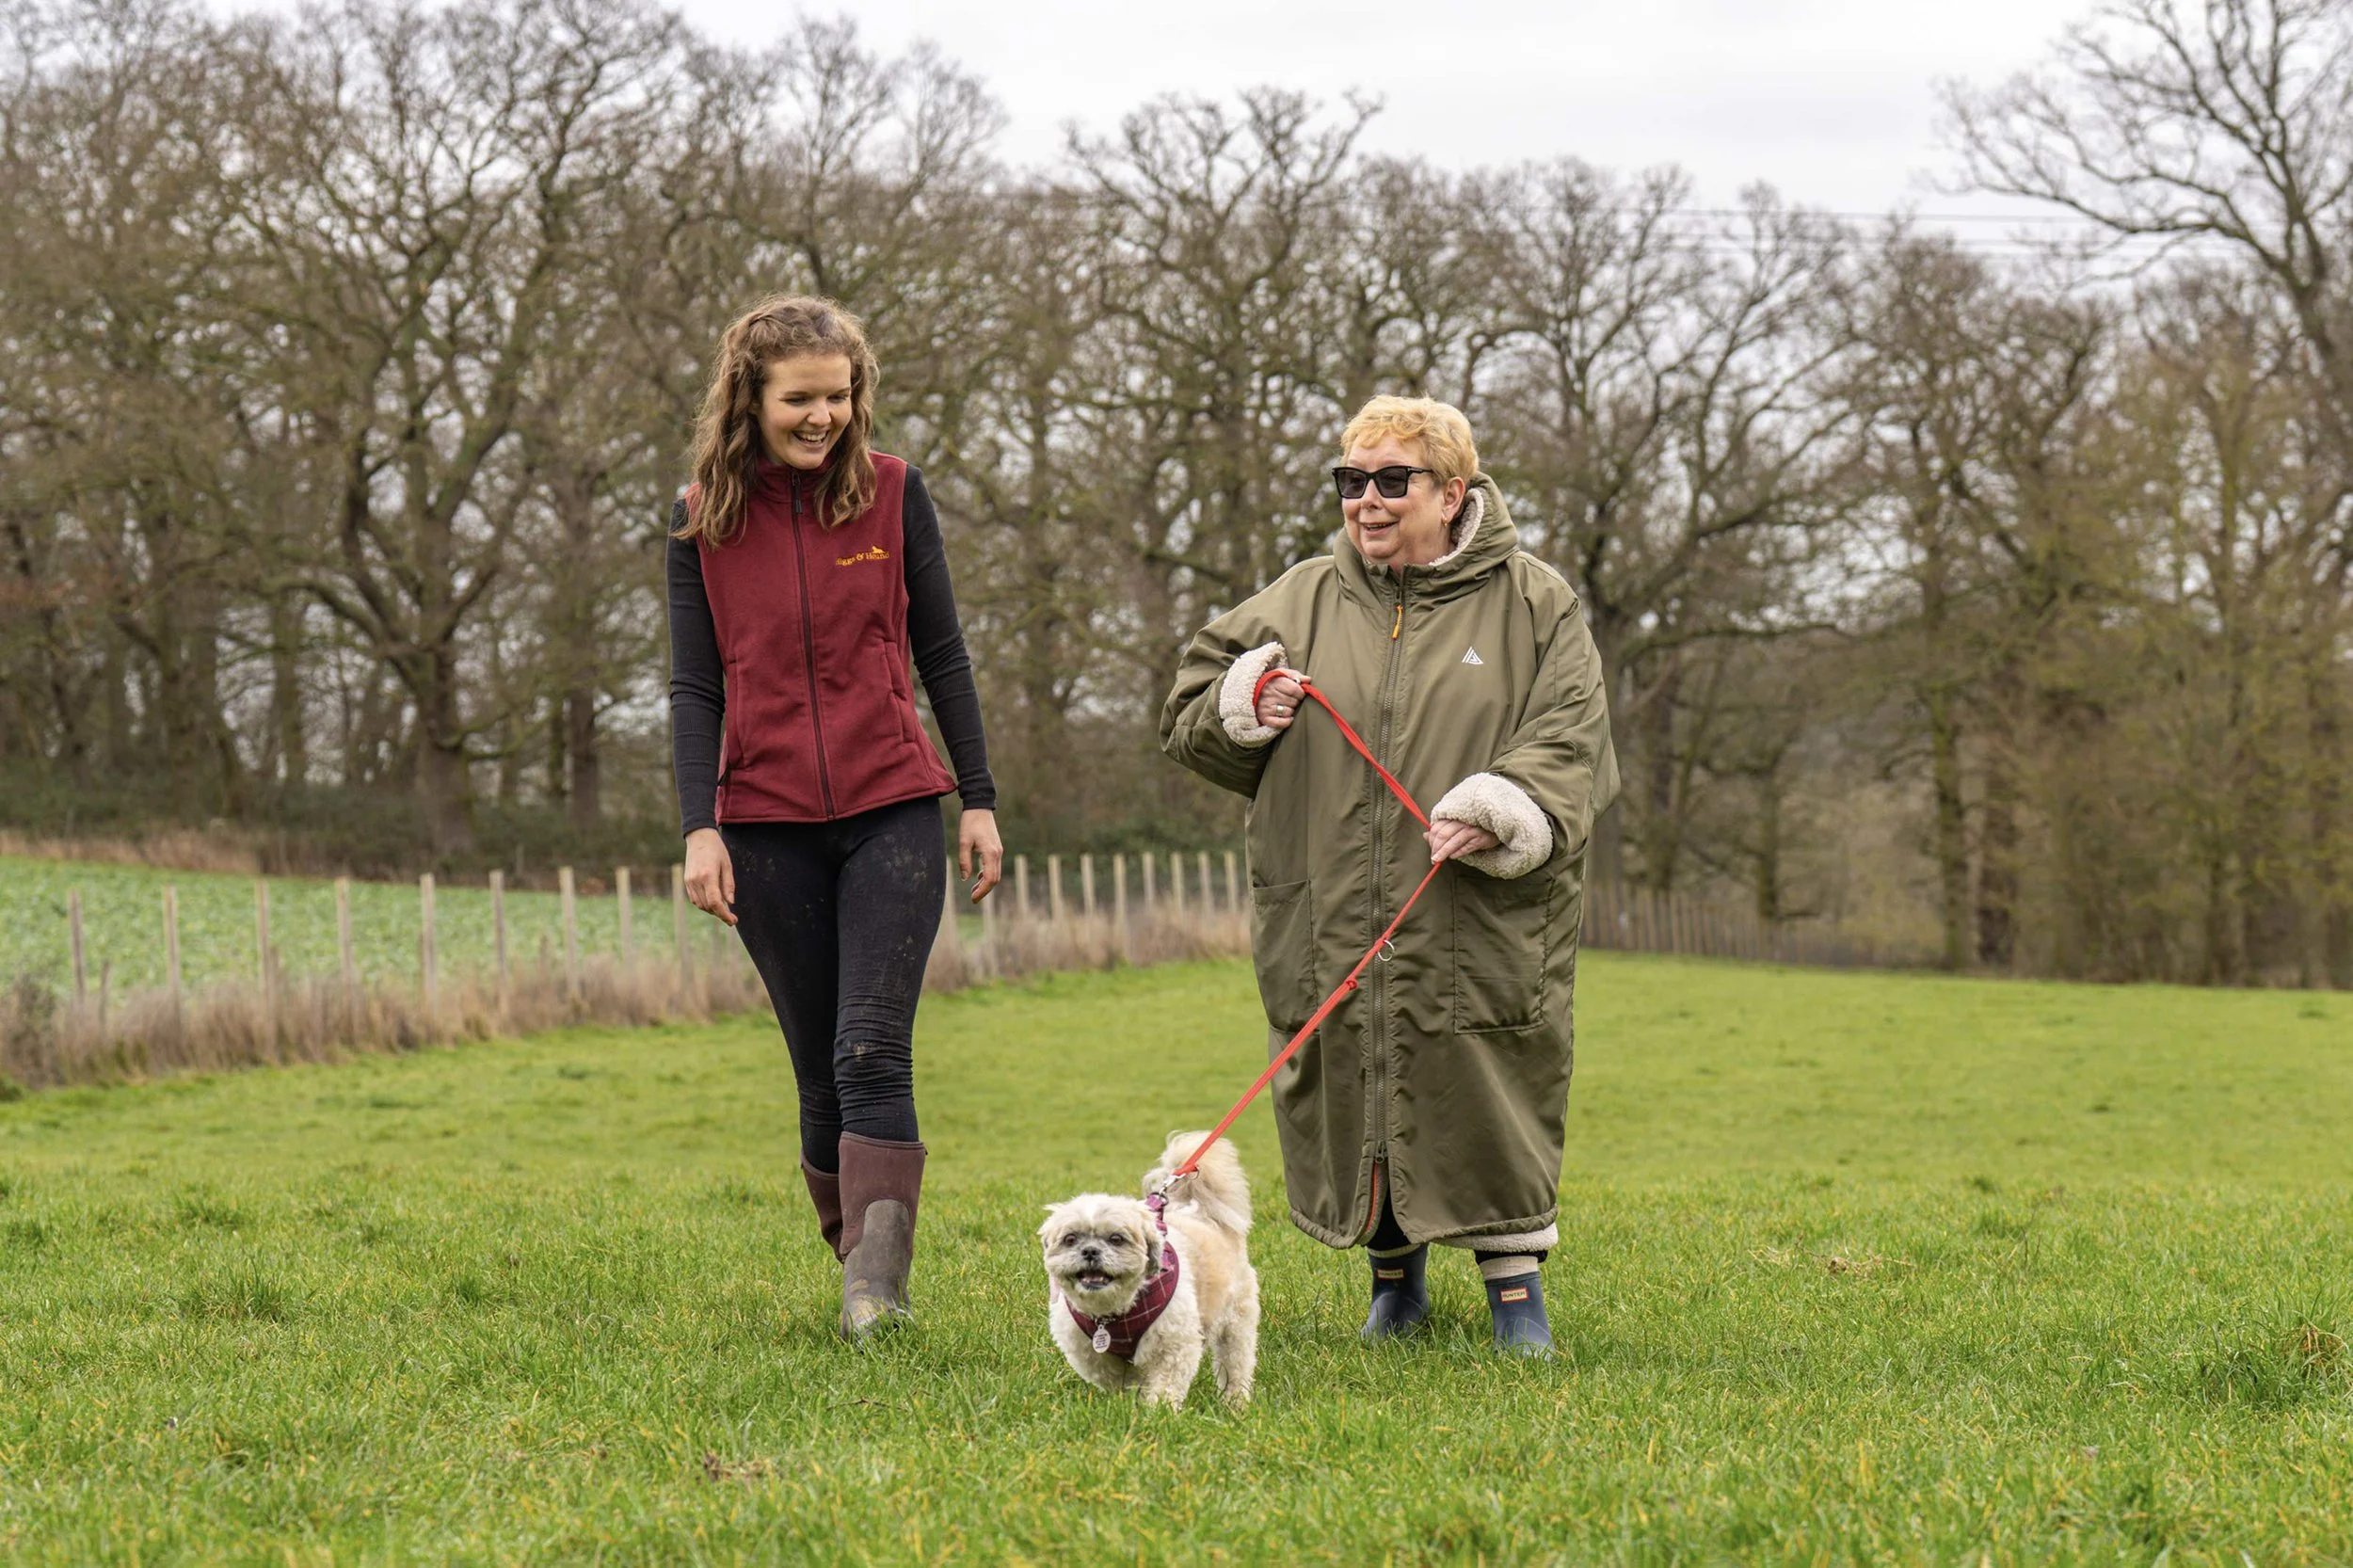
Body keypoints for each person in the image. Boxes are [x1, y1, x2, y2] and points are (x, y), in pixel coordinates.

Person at [1160, 395, 1617, 1355]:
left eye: (1391, 480)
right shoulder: (1295, 601)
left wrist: (1504, 805)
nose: (1366, 500)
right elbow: (1189, 711)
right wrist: (1246, 703)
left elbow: (1572, 738)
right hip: (1326, 903)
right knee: (1355, 1071)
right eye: (1350, 481)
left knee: (1488, 1074)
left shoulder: (1537, 603)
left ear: (1453, 491)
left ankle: (1515, 1297)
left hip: (1477, 907)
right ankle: (1393, 1284)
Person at [667, 295, 1002, 1340]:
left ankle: (877, 1296)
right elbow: (693, 688)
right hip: (761, 820)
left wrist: (979, 799)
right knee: (817, 1061)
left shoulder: (894, 493)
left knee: (870, 1049)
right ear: (751, 401)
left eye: (839, 395)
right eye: (799, 399)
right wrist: (698, 825)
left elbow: (942, 653)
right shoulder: (699, 520)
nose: (823, 417)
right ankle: (856, 1259)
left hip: (891, 804)